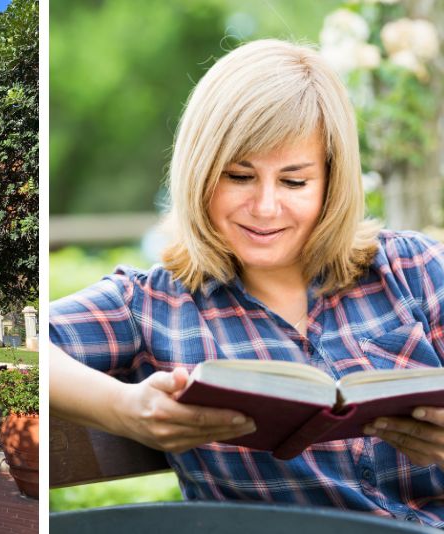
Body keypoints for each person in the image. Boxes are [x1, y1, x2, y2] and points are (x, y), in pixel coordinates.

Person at [50, 39, 444, 527]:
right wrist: (124, 408)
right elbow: (34, 344)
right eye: (239, 176)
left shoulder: (416, 269)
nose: (264, 207)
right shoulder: (153, 303)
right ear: (201, 172)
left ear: (331, 181)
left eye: (294, 182)